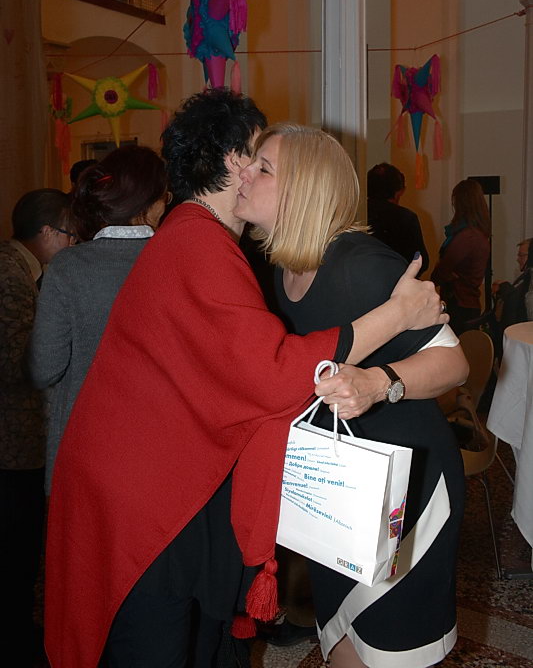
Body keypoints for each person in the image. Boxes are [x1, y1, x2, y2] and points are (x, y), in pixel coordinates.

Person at [44, 90, 449, 668]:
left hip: (171, 481)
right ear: (235, 160)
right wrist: (397, 314)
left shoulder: (210, 239)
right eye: (258, 156)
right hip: (148, 496)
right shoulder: (198, 241)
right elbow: (271, 372)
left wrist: (385, 374)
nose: (259, 169)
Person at [235, 123, 468, 668]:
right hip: (338, 492)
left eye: (263, 167)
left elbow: (454, 363)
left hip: (406, 491)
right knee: (343, 642)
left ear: (305, 189)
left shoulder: (360, 264)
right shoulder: (279, 268)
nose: (244, 173)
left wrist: (377, 381)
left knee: (389, 651)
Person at [26, 145, 169, 495]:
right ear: (150, 203)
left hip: (83, 447)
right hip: (159, 448)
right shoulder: (180, 261)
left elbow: (43, 369)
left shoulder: (68, 267)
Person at [0, 188, 72, 667]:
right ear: (47, 233)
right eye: (68, 233)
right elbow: (18, 362)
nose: (71, 243)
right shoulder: (10, 275)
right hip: (12, 444)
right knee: (16, 552)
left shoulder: (22, 269)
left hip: (18, 441)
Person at [431, 178, 491, 334]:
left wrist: (439, 276)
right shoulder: (479, 234)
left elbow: (444, 267)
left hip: (459, 303)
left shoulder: (467, 236)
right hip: (468, 302)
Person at [367, 162, 429, 274]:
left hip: (362, 278)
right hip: (398, 279)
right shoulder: (406, 218)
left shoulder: (356, 214)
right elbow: (421, 262)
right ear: (399, 191)